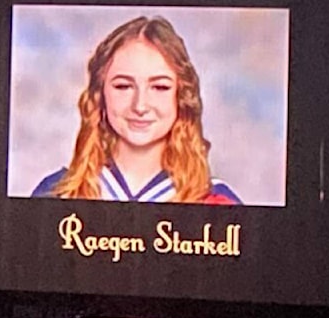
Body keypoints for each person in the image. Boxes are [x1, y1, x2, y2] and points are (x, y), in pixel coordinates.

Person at [31, 16, 241, 204]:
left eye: (159, 87)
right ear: (100, 94)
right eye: (123, 86)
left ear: (182, 97)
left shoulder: (217, 202)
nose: (140, 106)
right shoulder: (56, 194)